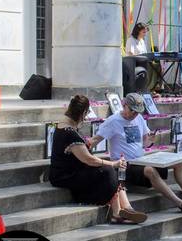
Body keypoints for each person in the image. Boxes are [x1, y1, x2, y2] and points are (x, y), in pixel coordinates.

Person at [90, 93, 182, 212]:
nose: (134, 115)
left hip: (140, 160)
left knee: (178, 163)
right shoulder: (113, 121)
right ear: (124, 105)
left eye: (137, 112)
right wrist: (83, 151)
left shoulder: (139, 118)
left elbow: (145, 142)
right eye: (132, 111)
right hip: (124, 164)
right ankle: (180, 203)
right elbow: (95, 140)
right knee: (149, 170)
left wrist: (150, 140)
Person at [49, 95, 147, 224]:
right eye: (86, 113)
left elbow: (83, 154)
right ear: (83, 112)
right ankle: (121, 211)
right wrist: (113, 163)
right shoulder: (69, 132)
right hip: (65, 175)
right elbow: (88, 159)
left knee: (109, 171)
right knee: (108, 171)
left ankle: (123, 210)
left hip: (70, 170)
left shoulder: (64, 126)